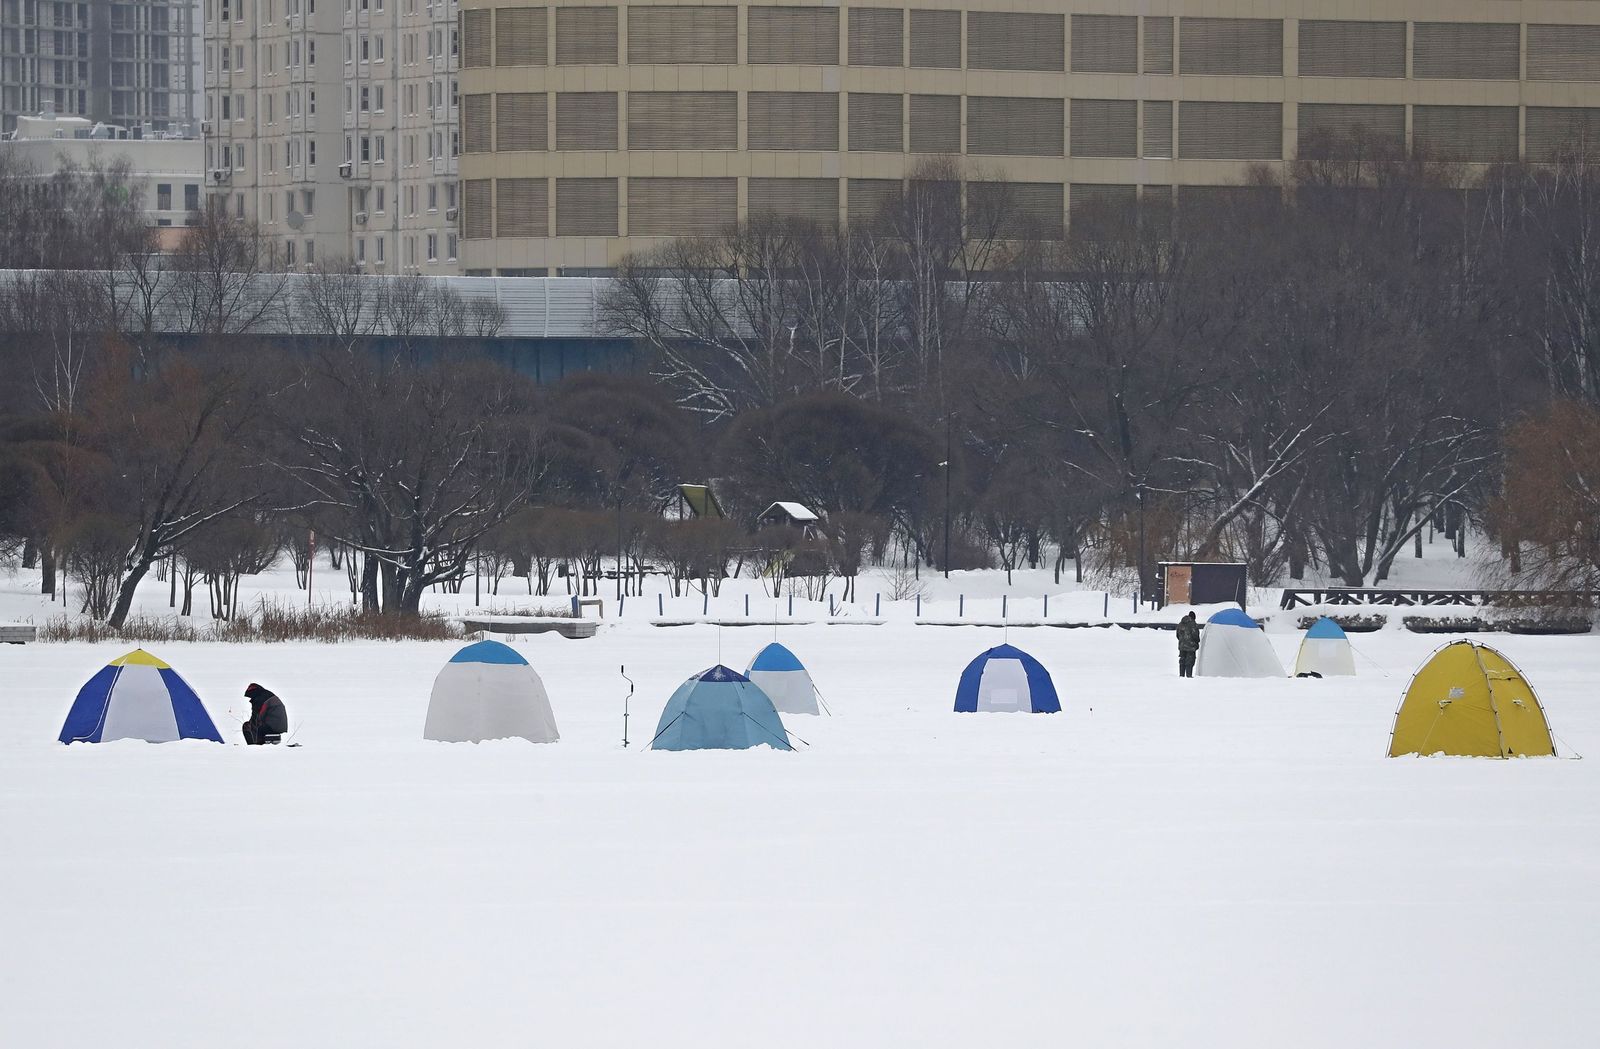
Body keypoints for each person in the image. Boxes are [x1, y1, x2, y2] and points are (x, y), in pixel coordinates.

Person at [1176, 611, 1201, 678]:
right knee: (1190, 661)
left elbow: (1177, 635)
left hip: (1182, 646)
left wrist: (1182, 641)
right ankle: (1189, 676)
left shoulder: (1180, 623)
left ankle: (1181, 675)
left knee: (1182, 660)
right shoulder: (1193, 624)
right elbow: (1195, 635)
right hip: (1191, 646)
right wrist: (1197, 642)